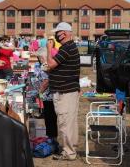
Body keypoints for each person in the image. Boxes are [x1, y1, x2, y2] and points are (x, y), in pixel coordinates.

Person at [46, 22, 80, 161]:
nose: (55, 36)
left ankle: (69, 152)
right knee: (69, 122)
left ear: (64, 33)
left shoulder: (67, 48)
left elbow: (51, 64)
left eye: (57, 33)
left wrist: (49, 49)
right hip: (67, 90)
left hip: (65, 92)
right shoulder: (69, 47)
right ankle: (71, 148)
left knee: (65, 122)